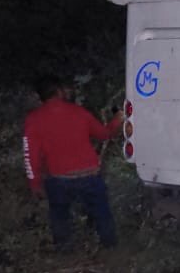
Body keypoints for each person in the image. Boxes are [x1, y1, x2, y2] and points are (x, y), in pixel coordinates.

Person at [23, 74, 123, 249]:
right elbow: (104, 134)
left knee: (59, 216)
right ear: (60, 91)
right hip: (89, 175)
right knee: (102, 213)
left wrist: (34, 184)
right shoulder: (79, 112)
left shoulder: (34, 120)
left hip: (59, 179)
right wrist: (118, 120)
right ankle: (111, 248)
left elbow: (30, 156)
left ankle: (65, 250)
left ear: (40, 97)